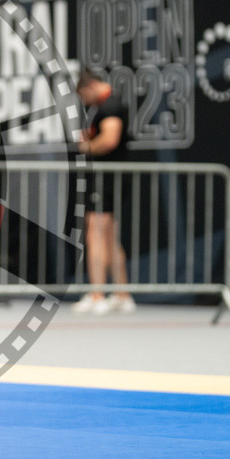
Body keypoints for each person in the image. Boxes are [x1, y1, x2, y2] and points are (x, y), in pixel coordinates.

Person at [74, 69, 135, 315]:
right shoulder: (109, 104)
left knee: (95, 233)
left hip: (105, 181)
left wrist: (86, 146)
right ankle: (122, 294)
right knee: (109, 236)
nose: (84, 102)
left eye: (82, 96)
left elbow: (109, 140)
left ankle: (97, 294)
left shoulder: (110, 106)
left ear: (89, 87)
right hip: (109, 180)